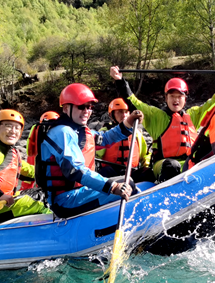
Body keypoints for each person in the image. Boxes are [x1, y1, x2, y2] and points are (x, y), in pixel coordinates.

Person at [36, 83, 144, 218]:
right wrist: (112, 187)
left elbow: (105, 139)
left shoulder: (78, 130)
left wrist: (128, 123)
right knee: (127, 184)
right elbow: (75, 170)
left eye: (89, 107)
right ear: (66, 108)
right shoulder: (62, 132)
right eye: (81, 106)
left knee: (127, 181)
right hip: (66, 201)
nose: (86, 111)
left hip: (79, 191)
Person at [110, 65, 215, 181]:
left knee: (210, 160)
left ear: (185, 99)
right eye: (172, 96)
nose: (175, 100)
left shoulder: (193, 115)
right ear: (166, 98)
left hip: (188, 162)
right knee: (171, 166)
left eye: (179, 96)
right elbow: (133, 102)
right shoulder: (155, 116)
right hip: (163, 164)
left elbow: (214, 103)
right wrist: (120, 81)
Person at [96, 98, 152, 182]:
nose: (124, 115)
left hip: (131, 172)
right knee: (104, 172)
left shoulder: (136, 133)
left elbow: (145, 155)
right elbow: (96, 154)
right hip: (112, 172)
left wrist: (146, 166)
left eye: (126, 112)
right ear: (112, 115)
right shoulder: (105, 132)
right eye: (119, 112)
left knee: (148, 173)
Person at [20, 111, 60, 191]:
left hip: (35, 153)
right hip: (39, 154)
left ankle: (25, 190)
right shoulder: (57, 132)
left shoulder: (36, 130)